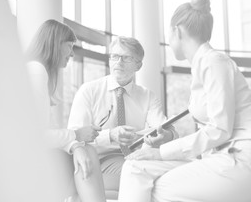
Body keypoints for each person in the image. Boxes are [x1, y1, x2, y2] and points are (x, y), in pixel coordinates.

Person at [118, 0, 251, 202]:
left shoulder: (214, 62)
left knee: (159, 188)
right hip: (225, 158)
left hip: (245, 162)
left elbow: (219, 129)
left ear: (177, 31)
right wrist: (165, 144)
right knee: (135, 168)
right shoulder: (203, 66)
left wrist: (162, 152)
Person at [67, 36, 177, 196]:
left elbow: (165, 128)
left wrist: (166, 135)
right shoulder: (89, 91)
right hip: (99, 161)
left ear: (138, 65)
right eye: (114, 56)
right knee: (156, 179)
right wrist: (110, 135)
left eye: (126, 58)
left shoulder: (147, 96)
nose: (118, 62)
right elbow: (74, 137)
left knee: (171, 172)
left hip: (135, 157)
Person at [26, 19, 106, 202]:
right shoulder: (36, 72)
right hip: (27, 159)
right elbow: (35, 136)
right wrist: (76, 135)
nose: (71, 54)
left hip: (35, 156)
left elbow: (51, 131)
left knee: (84, 155)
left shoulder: (37, 72)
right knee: (87, 159)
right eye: (69, 46)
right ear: (54, 44)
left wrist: (76, 145)